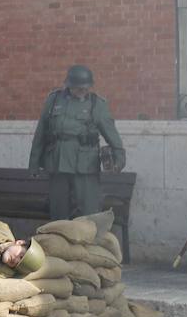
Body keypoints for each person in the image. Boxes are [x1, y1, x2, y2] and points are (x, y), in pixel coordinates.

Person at [29, 65, 126, 221]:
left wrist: (119, 159)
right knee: (58, 214)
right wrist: (34, 163)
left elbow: (111, 134)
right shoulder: (54, 100)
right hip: (57, 163)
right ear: (69, 85)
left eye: (86, 87)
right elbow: (41, 132)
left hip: (85, 165)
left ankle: (90, 244)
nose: (83, 91)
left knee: (89, 213)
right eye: (79, 88)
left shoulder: (97, 104)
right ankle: (60, 244)